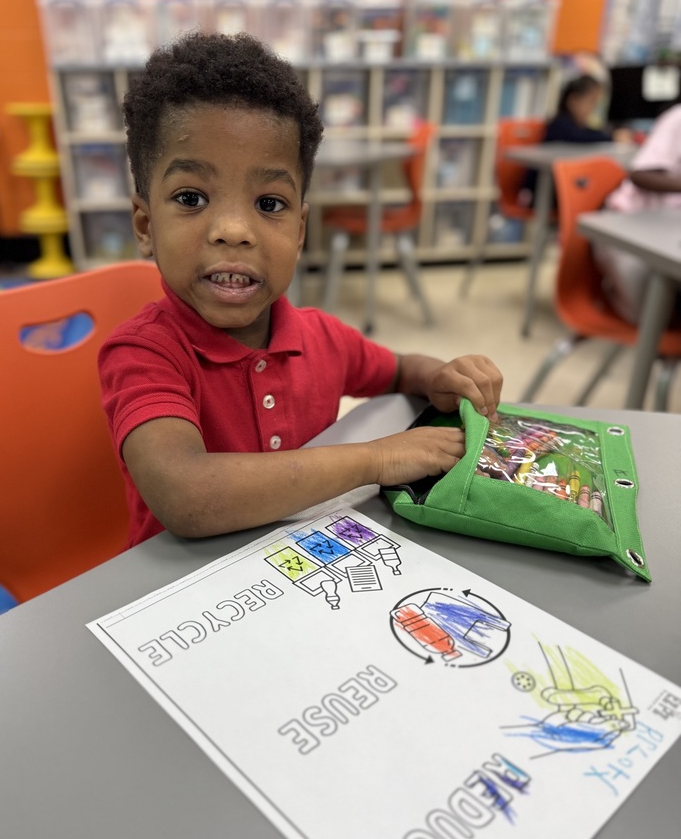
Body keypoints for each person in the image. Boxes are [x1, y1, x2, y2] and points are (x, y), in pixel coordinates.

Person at [98, 32, 503, 544]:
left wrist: (441, 376)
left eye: (269, 205)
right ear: (144, 225)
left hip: (302, 572)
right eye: (191, 196)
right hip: (186, 602)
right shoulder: (144, 354)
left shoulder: (320, 337)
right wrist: (375, 458)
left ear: (300, 231)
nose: (234, 230)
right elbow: (188, 496)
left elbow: (399, 369)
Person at [593, 102, 681, 325]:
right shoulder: (676, 119)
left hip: (669, 231)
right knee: (656, 320)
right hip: (632, 229)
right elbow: (640, 174)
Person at [518, 75, 633, 207]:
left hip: (559, 189)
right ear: (573, 101)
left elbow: (591, 133)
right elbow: (579, 137)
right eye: (591, 102)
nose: (593, 109)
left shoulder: (582, 127)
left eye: (596, 104)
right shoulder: (559, 124)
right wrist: (612, 137)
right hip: (542, 191)